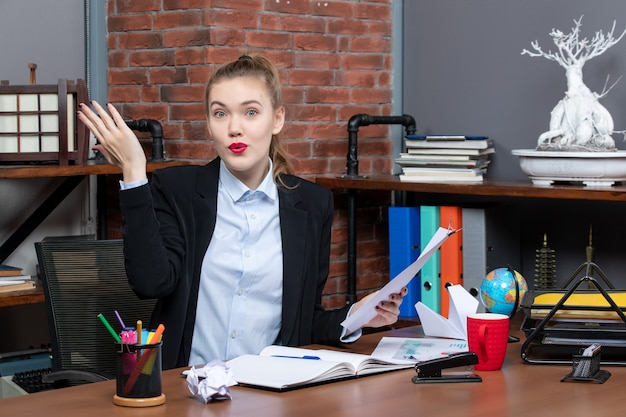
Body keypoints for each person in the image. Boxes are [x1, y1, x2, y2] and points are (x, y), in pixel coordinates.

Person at [77, 52, 407, 370]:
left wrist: (356, 316)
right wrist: (134, 172)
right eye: (220, 114)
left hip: (272, 392)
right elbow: (151, 284)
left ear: (277, 118)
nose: (235, 128)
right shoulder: (176, 189)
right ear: (209, 124)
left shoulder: (312, 204)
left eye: (250, 112)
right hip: (188, 390)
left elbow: (304, 324)